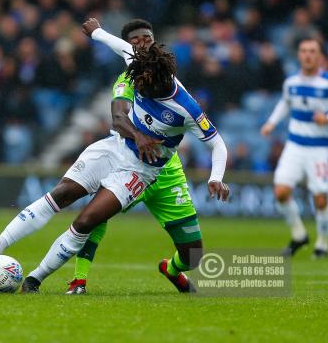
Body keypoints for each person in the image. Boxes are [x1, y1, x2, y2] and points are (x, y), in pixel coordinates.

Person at [20, 21, 229, 293]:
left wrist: (216, 178)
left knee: (193, 256)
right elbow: (118, 49)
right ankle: (78, 279)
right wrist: (96, 32)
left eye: (146, 38)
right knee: (95, 214)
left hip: (166, 171)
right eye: (136, 40)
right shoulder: (133, 71)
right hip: (127, 162)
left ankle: (171, 269)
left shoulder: (186, 107)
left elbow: (218, 143)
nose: (138, 83)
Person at [0, 19, 163, 270]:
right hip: (119, 147)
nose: (142, 45)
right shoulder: (126, 80)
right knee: (60, 195)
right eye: (135, 42)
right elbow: (119, 118)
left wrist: (98, 33)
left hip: (151, 166)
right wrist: (138, 135)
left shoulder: (167, 76)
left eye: (147, 38)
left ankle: (40, 277)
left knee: (190, 250)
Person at [261, 38, 328, 258]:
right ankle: (299, 235)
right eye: (304, 51)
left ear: (320, 56)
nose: (308, 55)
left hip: (320, 149)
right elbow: (285, 102)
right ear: (299, 55)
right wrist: (272, 123)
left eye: (312, 51)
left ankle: (322, 243)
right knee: (281, 192)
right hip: (294, 146)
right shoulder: (291, 82)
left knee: (320, 199)